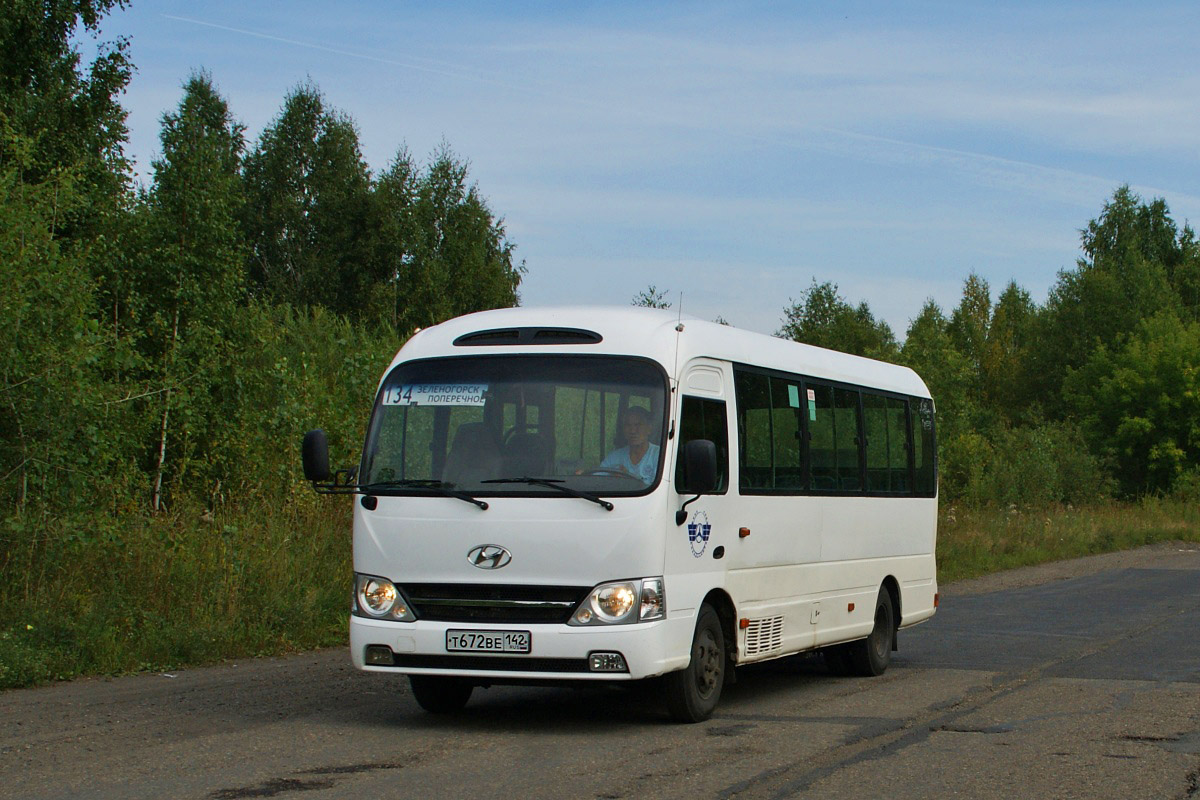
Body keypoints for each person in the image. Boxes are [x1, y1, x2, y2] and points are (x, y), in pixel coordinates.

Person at [600, 406, 660, 485]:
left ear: (649, 429)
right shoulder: (614, 457)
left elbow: (658, 491)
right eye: (628, 425)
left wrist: (629, 479)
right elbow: (597, 479)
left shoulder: (659, 455)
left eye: (638, 425)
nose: (633, 431)